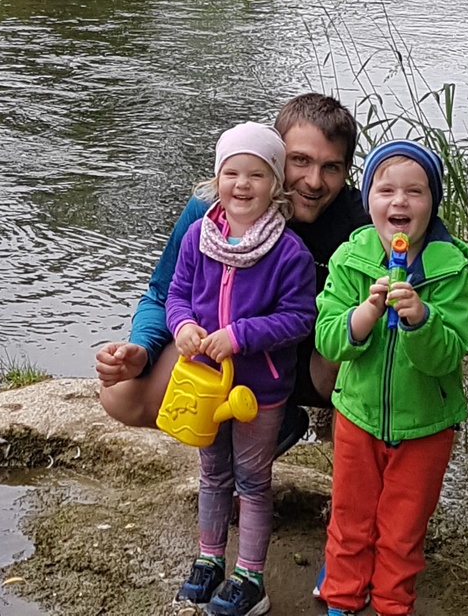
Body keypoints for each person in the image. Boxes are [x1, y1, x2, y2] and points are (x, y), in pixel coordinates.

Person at [95, 93, 368, 443]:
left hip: (308, 362)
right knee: (122, 396)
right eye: (299, 161)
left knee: (347, 343)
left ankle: (336, 446)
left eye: (331, 167)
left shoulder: (361, 225)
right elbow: (163, 294)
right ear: (275, 155)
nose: (314, 181)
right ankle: (271, 426)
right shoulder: (211, 211)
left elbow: (425, 228)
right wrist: (142, 351)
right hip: (232, 354)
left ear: (346, 171)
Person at [315, 140, 468, 616]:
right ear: (368, 201)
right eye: (385, 190)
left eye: (415, 192)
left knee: (403, 530)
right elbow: (328, 338)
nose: (400, 201)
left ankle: (391, 604)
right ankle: (341, 599)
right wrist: (365, 313)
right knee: (349, 520)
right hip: (357, 417)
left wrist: (420, 320)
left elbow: (447, 354)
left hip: (426, 424)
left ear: (433, 203)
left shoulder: (451, 270)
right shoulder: (351, 259)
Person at [166, 122, 316, 616]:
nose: (242, 184)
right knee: (211, 474)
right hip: (206, 382)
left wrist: (240, 335)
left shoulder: (289, 251)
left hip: (260, 387)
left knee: (252, 480)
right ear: (216, 180)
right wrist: (183, 325)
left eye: (256, 174)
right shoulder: (197, 236)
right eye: (232, 173)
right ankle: (209, 560)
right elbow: (177, 295)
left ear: (276, 184)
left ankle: (250, 577)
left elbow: (299, 317)